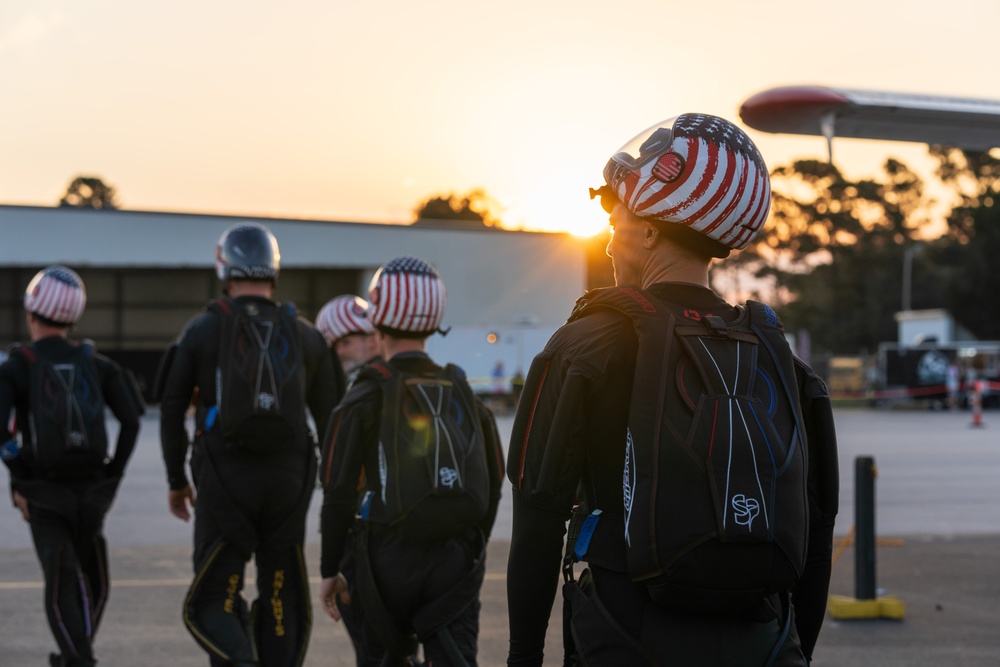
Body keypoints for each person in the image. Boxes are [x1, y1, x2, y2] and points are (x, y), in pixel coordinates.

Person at [506, 114, 840, 666]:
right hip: (766, 642)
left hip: (626, 634)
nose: (610, 243)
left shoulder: (582, 347)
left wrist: (523, 656)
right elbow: (816, 538)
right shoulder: (783, 363)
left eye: (615, 220)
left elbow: (538, 523)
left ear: (651, 228)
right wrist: (793, 647)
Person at [158, 223, 339, 667]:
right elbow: (335, 420)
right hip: (289, 485)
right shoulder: (306, 335)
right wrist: (331, 495)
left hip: (224, 481)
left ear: (225, 267)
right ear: (274, 270)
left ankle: (238, 661)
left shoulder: (202, 329)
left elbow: (170, 409)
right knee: (281, 593)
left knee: (219, 593)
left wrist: (178, 481)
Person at [318, 256, 505, 667]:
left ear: (378, 319)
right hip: (456, 562)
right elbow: (493, 481)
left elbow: (337, 488)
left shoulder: (363, 396)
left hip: (382, 564)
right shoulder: (466, 396)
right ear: (434, 318)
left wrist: (331, 566)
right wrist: (473, 547)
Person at [0, 266, 145, 667]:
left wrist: (21, 475)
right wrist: (113, 474)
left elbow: (1, 427)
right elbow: (133, 419)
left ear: (32, 311)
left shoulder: (17, 365)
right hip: (93, 491)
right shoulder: (96, 363)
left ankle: (77, 659)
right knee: (94, 581)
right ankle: (77, 655)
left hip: (43, 491)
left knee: (61, 579)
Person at [316, 294, 380, 386]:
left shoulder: (376, 381)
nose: (339, 352)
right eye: (334, 346)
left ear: (372, 340)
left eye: (346, 343)